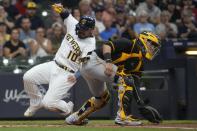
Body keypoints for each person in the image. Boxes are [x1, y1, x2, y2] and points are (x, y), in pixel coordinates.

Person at [65, 31, 161, 126]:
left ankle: (74, 118)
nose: (153, 48)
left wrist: (141, 105)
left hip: (92, 68)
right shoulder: (129, 44)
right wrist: (108, 61)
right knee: (126, 79)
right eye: (152, 44)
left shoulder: (140, 63)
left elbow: (135, 84)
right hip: (94, 62)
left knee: (103, 99)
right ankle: (122, 117)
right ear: (144, 40)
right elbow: (107, 45)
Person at [23, 3, 96, 117]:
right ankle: (36, 102)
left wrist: (76, 76)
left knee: (48, 103)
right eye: (80, 28)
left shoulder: (90, 44)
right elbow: (66, 14)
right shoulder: (74, 25)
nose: (80, 31)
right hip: (54, 64)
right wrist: (60, 8)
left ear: (91, 30)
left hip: (67, 74)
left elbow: (86, 64)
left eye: (84, 30)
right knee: (28, 77)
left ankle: (67, 108)